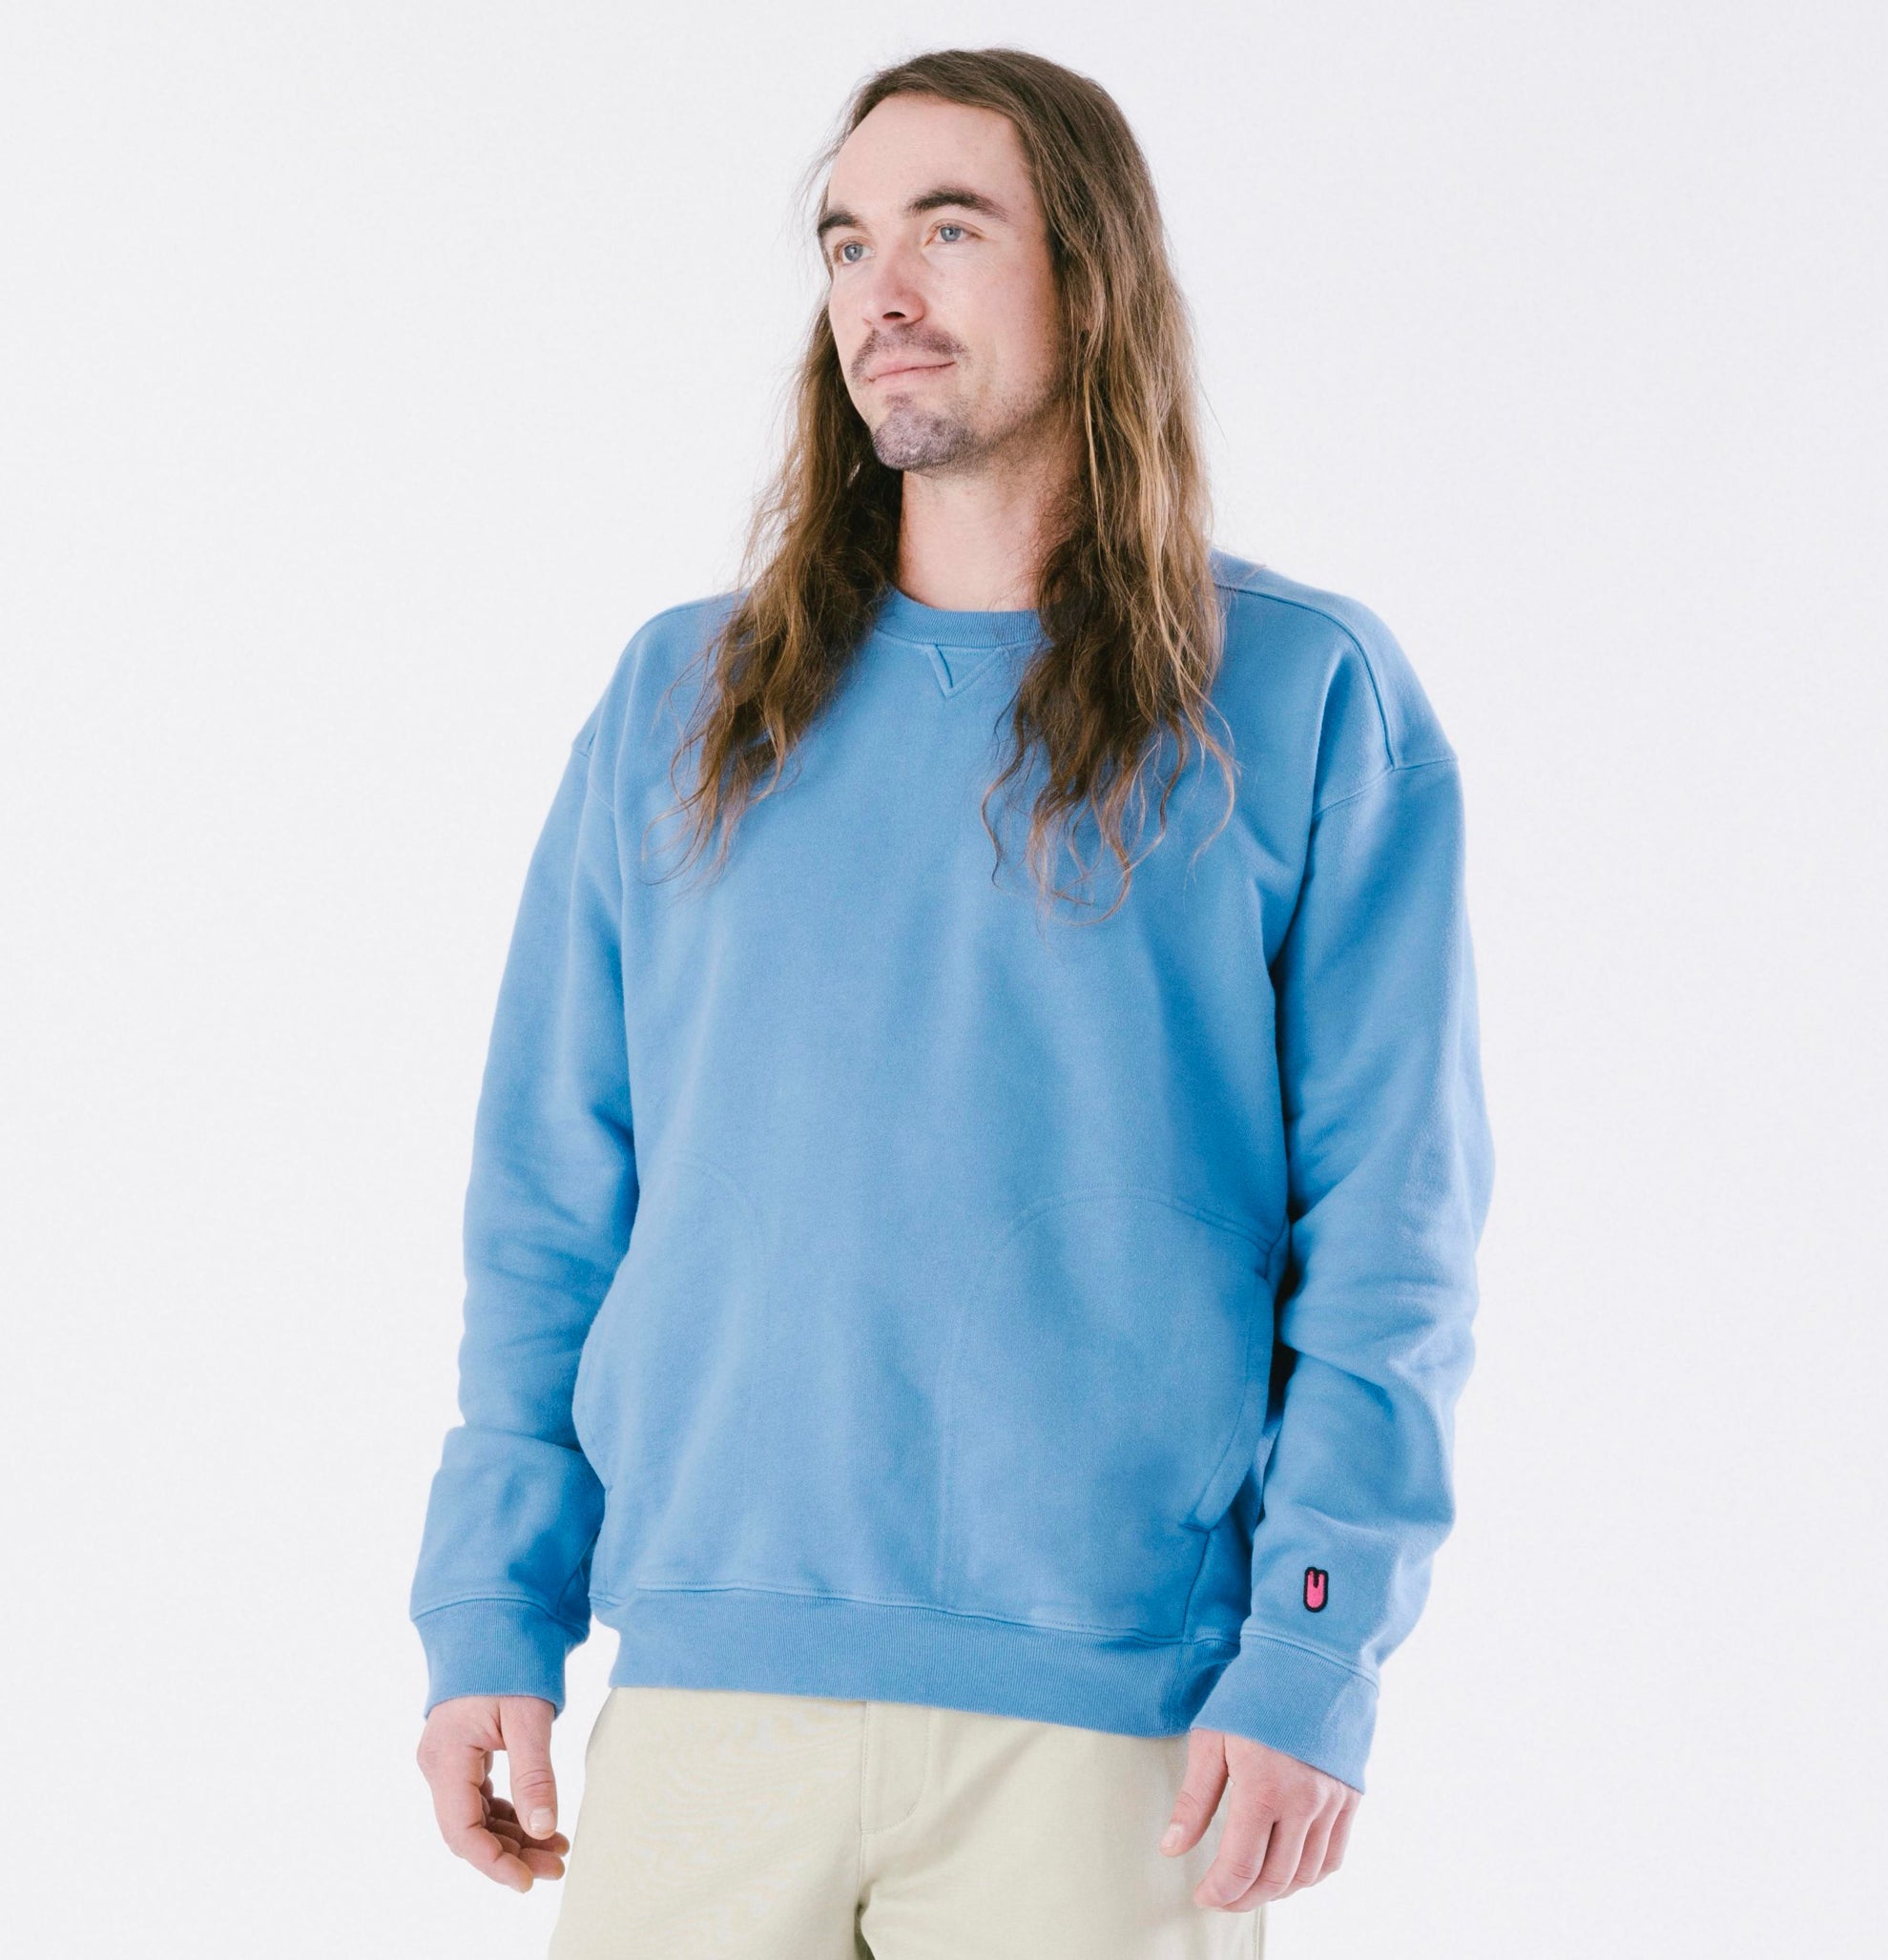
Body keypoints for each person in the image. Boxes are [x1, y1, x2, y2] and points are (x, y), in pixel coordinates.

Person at [408, 44, 1495, 1959]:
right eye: (845, 243)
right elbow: (552, 1196)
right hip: (708, 1692)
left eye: (948, 229)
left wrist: (1315, 1645)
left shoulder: (1301, 697)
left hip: (1113, 1724)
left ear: (1090, 277)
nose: (880, 292)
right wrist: (493, 1601)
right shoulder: (681, 700)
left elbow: (1389, 1231)